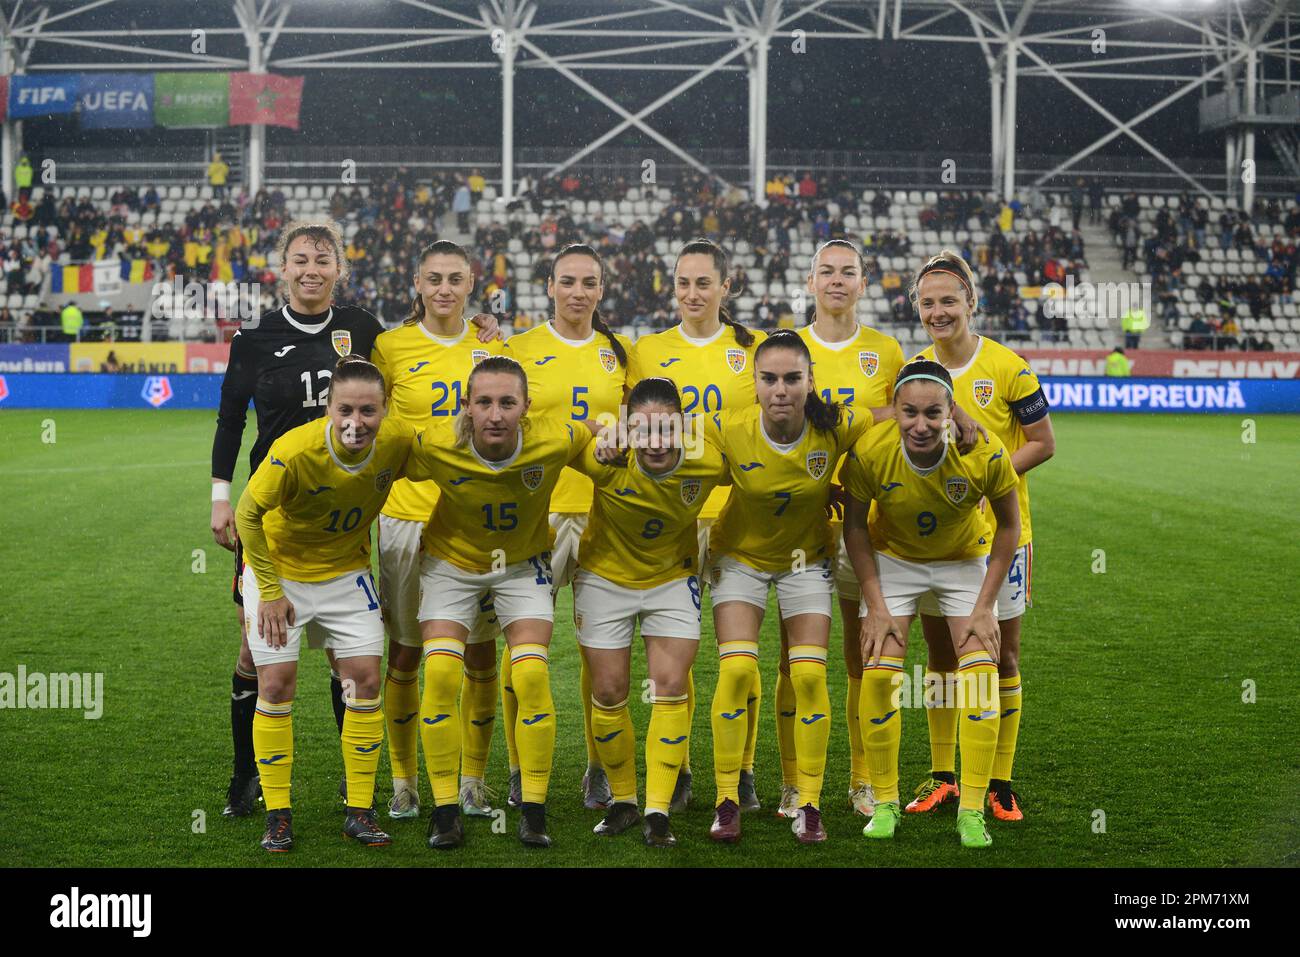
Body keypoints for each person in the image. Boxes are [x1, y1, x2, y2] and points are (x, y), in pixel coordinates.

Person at [407, 356, 593, 849]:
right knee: (443, 675)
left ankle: (534, 807)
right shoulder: (435, 442)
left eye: (507, 403)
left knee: (530, 672)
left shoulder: (554, 438)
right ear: (465, 406)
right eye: (483, 402)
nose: (495, 414)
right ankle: (445, 808)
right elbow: (383, 452)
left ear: (526, 407)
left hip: (521, 564)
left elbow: (595, 431)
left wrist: (620, 432)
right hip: (451, 563)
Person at [235, 355, 416, 852]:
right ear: (327, 407)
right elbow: (247, 515)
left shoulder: (398, 441)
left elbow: (441, 464)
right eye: (345, 411)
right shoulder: (294, 450)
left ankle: (359, 809)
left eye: (368, 411)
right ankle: (278, 816)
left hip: (346, 575)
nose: (355, 423)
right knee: (275, 684)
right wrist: (269, 591)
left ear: (384, 409)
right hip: (281, 575)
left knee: (365, 680)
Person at [842, 359, 1021, 848]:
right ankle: (884, 802)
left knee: (981, 673)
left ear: (951, 413)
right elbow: (854, 527)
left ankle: (972, 810)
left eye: (933, 414)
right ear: (894, 411)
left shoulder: (983, 450)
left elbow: (1009, 527)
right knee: (879, 671)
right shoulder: (870, 451)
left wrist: (985, 606)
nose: (921, 425)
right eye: (909, 413)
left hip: (964, 562)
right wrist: (876, 605)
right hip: (895, 561)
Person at [704, 331, 869, 844]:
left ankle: (809, 802)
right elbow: (665, 446)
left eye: (792, 378)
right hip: (740, 560)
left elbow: (891, 415)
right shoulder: (725, 428)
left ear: (811, 382)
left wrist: (959, 416)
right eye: (769, 378)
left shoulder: (836, 425)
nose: (781, 389)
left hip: (807, 562)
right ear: (753, 384)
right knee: (736, 668)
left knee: (810, 678)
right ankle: (726, 799)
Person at [909, 250, 1055, 823]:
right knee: (941, 653)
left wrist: (984, 481)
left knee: (1002, 655)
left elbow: (1042, 442)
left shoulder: (1009, 367)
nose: (938, 311)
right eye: (928, 302)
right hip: (939, 539)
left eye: (949, 300)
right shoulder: (918, 368)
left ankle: (998, 780)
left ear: (971, 302)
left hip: (1001, 535)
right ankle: (944, 775)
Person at [370, 240, 508, 823]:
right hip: (405, 515)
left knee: (479, 650)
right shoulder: (390, 346)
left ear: (472, 282)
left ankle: (473, 780)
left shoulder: (491, 345)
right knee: (405, 652)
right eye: (434, 279)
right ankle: (404, 783)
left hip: (472, 516)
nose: (445, 288)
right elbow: (367, 421)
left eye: (455, 278)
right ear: (417, 284)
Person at [628, 237, 767, 814]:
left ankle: (744, 770)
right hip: (671, 518)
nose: (691, 293)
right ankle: (678, 767)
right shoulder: (646, 351)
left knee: (741, 655)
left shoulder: (754, 348)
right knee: (672, 654)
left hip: (738, 514)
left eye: (703, 283)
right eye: (683, 282)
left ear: (726, 286)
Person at [570, 377, 730, 846]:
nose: (655, 441)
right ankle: (623, 801)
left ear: (683, 426)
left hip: (671, 579)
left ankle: (658, 812)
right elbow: (562, 431)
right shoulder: (605, 457)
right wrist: (597, 429)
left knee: (671, 685)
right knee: (609, 689)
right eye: (642, 430)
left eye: (665, 429)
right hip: (604, 578)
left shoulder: (708, 459)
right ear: (625, 428)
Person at [505, 243, 632, 812]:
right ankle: (515, 765)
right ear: (549, 287)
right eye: (568, 282)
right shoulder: (518, 349)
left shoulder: (619, 353)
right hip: (537, 511)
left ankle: (599, 768)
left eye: (589, 282)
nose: (578, 292)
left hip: (605, 512)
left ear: (601, 290)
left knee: (596, 649)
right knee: (523, 645)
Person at [794, 239, 905, 820]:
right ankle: (794, 783)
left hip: (869, 519)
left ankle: (864, 781)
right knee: (801, 656)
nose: (837, 281)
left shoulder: (886, 351)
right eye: (826, 272)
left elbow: (909, 417)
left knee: (866, 654)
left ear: (864, 284)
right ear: (810, 282)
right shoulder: (788, 348)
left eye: (848, 273)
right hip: (804, 520)